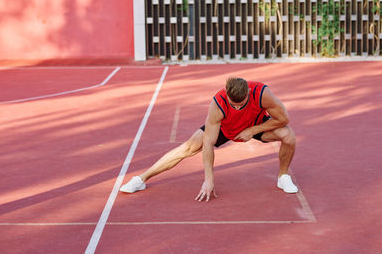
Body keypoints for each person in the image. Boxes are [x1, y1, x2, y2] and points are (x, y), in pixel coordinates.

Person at [120, 77, 298, 201]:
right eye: (232, 103)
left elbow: (283, 119)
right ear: (227, 93)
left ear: (249, 93)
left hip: (255, 125)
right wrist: (209, 178)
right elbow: (209, 143)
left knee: (288, 136)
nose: (236, 107)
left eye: (240, 104)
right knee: (188, 148)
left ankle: (283, 177)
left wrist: (252, 130)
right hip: (226, 128)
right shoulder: (218, 103)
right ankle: (141, 179)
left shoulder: (261, 93)